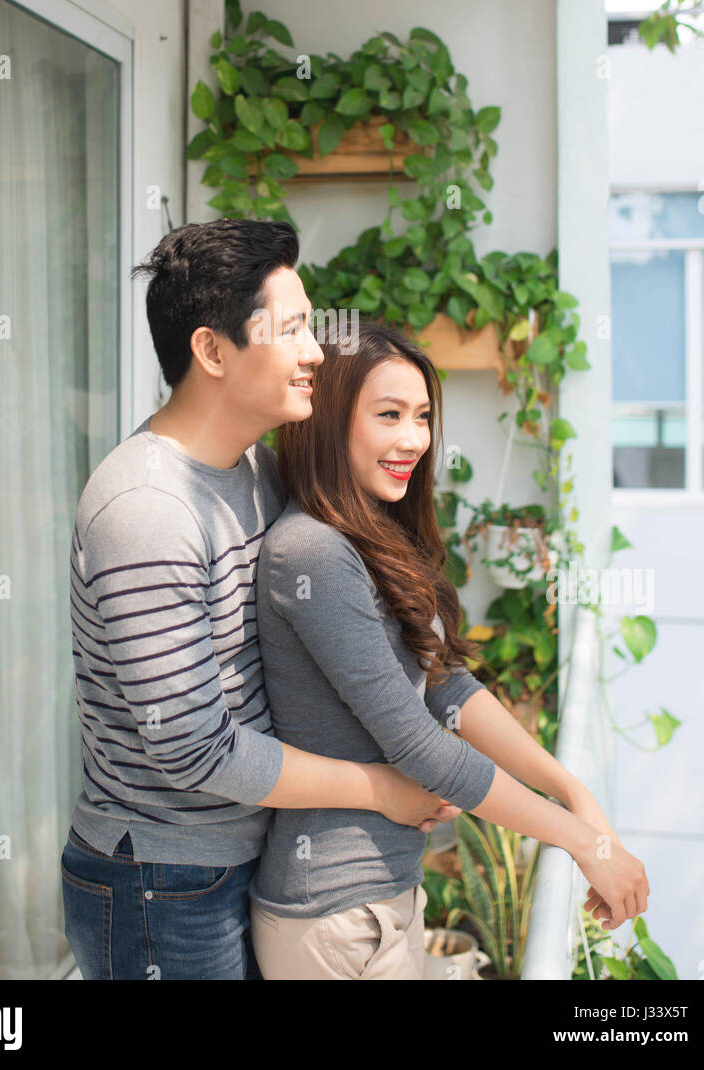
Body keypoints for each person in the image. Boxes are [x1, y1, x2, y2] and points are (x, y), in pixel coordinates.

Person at [60, 219, 459, 981]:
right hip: (162, 884)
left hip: (247, 858)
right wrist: (380, 789)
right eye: (294, 329)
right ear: (212, 351)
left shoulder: (254, 470)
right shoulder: (147, 509)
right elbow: (191, 747)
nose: (315, 351)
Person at [248, 321, 650, 980]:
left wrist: (573, 792)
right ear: (326, 423)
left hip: (383, 898)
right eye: (388, 416)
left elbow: (447, 687)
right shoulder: (311, 550)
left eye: (422, 416)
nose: (413, 438)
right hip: (333, 913)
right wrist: (584, 842)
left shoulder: (370, 534)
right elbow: (418, 744)